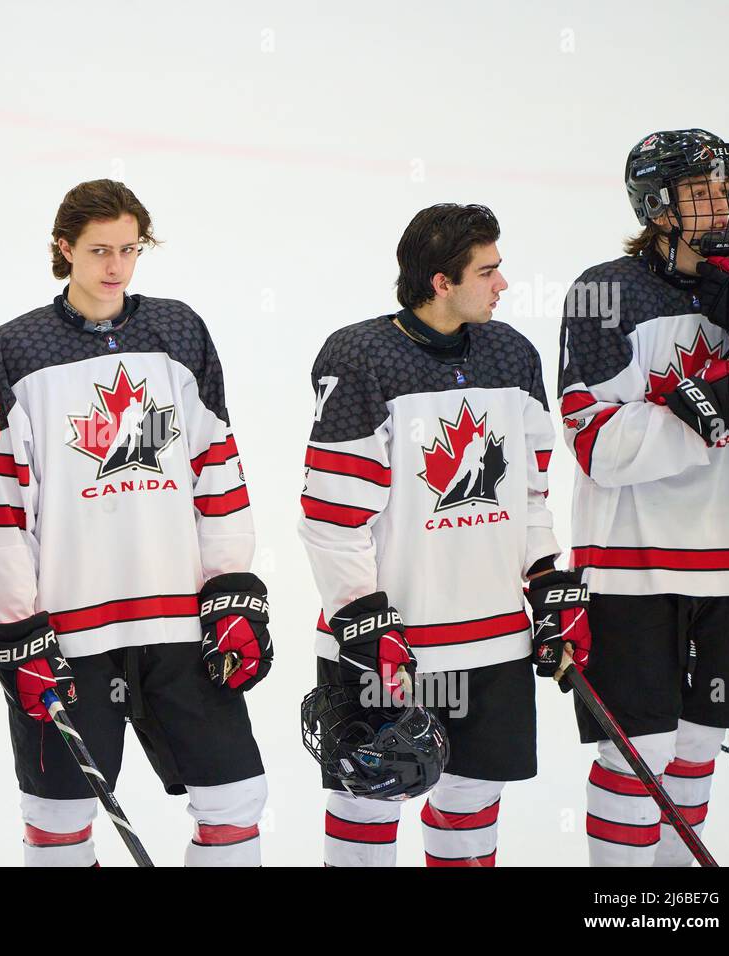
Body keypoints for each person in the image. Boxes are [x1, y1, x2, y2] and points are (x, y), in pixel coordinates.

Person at [0, 179, 270, 866]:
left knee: (235, 799)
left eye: (129, 249)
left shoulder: (178, 330)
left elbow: (216, 465)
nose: (115, 267)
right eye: (99, 249)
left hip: (180, 624)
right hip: (69, 633)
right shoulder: (14, 351)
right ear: (63, 248)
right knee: (57, 820)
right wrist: (16, 623)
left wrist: (231, 587)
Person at [300, 204, 566, 866]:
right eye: (488, 271)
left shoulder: (512, 354)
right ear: (441, 282)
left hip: (495, 644)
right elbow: (331, 515)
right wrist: (362, 619)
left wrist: (548, 580)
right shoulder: (362, 354)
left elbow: (531, 493)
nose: (503, 285)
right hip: (388, 645)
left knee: (471, 807)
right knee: (364, 801)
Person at [558, 128, 729, 865]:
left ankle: (675, 909)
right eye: (697, 192)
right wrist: (715, 405)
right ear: (657, 207)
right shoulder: (603, 293)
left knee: (700, 745)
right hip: (629, 569)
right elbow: (599, 446)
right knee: (635, 753)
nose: (718, 204)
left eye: (721, 187)